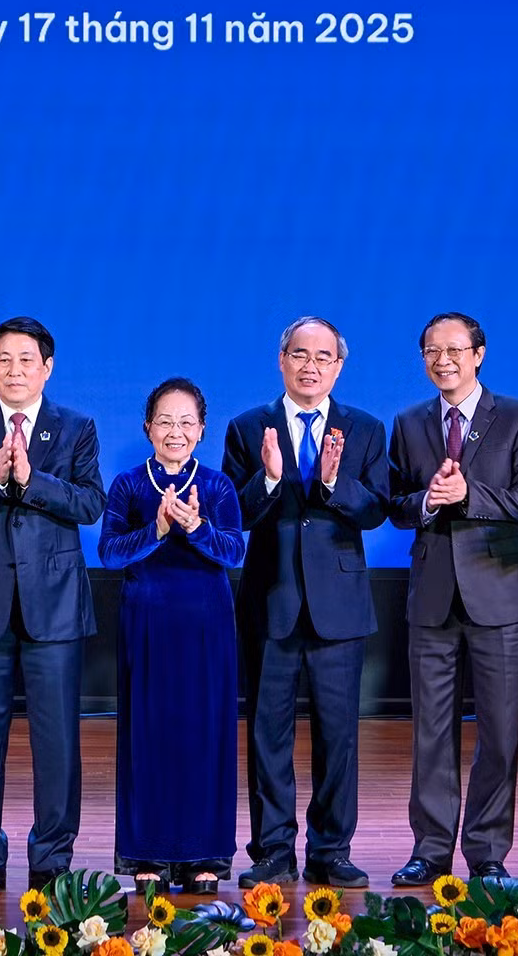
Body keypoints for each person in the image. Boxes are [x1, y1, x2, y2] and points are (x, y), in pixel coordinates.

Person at [0, 316, 105, 895]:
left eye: (26, 360)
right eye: (4, 360)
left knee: (56, 742)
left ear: (47, 367)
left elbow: (89, 505)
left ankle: (52, 860)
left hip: (54, 607)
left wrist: (32, 481)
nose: (14, 370)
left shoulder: (76, 427)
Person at [222, 316, 389, 890]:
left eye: (323, 357)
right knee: (267, 732)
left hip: (339, 604)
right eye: (300, 354)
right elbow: (233, 515)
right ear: (282, 359)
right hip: (271, 602)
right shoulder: (249, 428)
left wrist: (336, 483)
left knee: (338, 733)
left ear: (339, 366)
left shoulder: (364, 429)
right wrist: (269, 480)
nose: (310, 365)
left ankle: (331, 850)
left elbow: (375, 511)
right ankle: (271, 849)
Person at [386, 313, 518, 886]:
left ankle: (487, 851)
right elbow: (394, 502)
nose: (443, 360)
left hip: (498, 595)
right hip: (431, 597)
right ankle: (429, 849)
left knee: (499, 732)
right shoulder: (408, 422)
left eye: (455, 350)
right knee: (430, 730)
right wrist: (427, 502)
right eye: (432, 351)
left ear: (479, 354)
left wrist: (468, 493)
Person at [98, 378, 246, 895]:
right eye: (165, 421)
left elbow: (234, 553)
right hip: (148, 624)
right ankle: (148, 854)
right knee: (149, 734)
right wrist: (158, 531)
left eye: (186, 422)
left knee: (206, 735)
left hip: (206, 626)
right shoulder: (128, 485)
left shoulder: (219, 486)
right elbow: (110, 554)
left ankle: (204, 854)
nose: (175, 431)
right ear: (147, 428)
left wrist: (199, 527)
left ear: (202, 430)